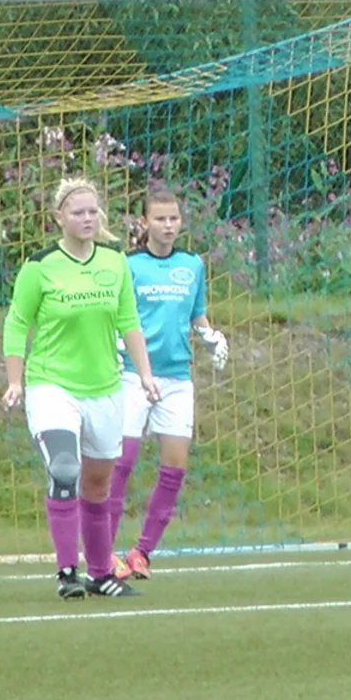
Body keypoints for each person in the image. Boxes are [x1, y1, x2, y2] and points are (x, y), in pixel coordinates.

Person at [1, 178, 161, 600]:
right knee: (65, 468)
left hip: (105, 388)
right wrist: (15, 380)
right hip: (53, 386)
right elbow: (18, 323)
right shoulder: (40, 266)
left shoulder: (114, 261)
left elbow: (129, 321)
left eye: (93, 211)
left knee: (97, 484)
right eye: (77, 212)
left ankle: (101, 572)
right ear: (59, 218)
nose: (87, 219)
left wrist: (145, 375)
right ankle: (66, 571)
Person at [104, 187, 228, 580]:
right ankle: (102, 552)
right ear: (144, 222)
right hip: (131, 374)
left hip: (176, 379)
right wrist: (117, 339)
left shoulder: (192, 265)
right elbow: (114, 314)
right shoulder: (128, 265)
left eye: (173, 218)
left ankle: (141, 552)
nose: (168, 225)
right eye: (159, 218)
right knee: (120, 463)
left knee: (173, 469)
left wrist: (211, 337)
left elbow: (197, 316)